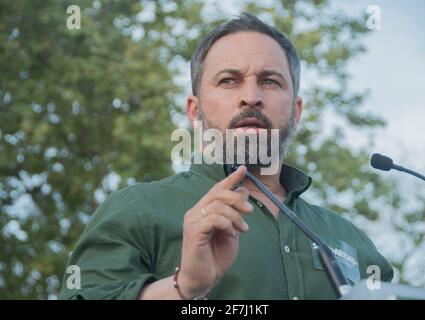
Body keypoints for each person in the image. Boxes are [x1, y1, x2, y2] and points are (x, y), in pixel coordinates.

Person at [59, 13, 393, 300]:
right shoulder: (137, 212)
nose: (251, 97)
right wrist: (182, 288)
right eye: (229, 81)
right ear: (195, 110)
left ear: (296, 110)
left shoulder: (354, 240)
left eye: (270, 81)